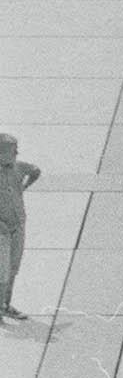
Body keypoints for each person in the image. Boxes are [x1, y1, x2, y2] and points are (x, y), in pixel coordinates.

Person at [0, 135, 40, 321]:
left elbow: (35, 170)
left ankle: (5, 305)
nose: (16, 153)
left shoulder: (17, 166)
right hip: (2, 231)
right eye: (12, 150)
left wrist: (24, 186)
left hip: (18, 225)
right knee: (2, 271)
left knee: (13, 268)